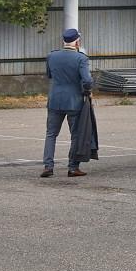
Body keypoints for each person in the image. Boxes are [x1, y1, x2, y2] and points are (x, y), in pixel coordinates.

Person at [42, 28, 93, 178]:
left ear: (63, 41)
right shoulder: (81, 58)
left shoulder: (51, 56)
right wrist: (87, 90)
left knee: (51, 134)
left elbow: (49, 75)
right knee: (75, 135)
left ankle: (48, 166)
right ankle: (72, 167)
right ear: (77, 42)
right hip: (74, 101)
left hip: (55, 99)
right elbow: (87, 80)